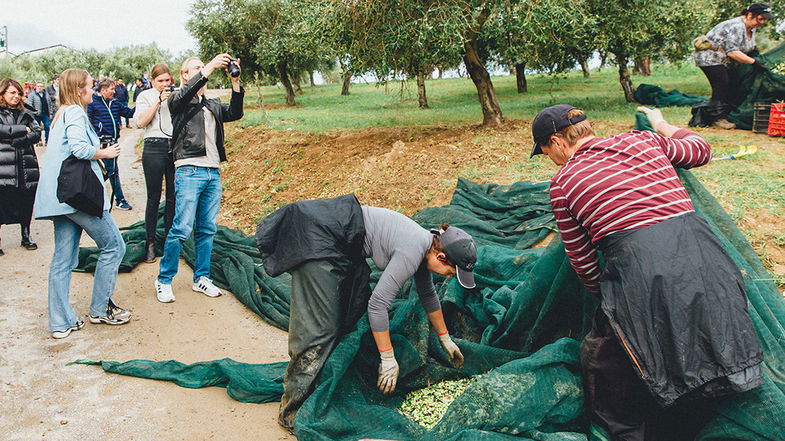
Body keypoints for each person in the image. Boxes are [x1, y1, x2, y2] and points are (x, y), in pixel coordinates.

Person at [529, 104, 764, 441]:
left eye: (547, 150)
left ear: (558, 141)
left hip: (641, 267)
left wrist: (611, 300)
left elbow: (582, 261)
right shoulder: (644, 141)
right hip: (706, 256)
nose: (551, 158)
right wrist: (661, 124)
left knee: (604, 355)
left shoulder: (563, 184)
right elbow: (701, 149)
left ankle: (625, 431)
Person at [256, 196, 473, 430]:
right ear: (441, 256)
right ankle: (292, 409)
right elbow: (378, 305)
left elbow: (429, 295)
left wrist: (445, 338)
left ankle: (323, 384)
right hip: (319, 236)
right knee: (320, 329)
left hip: (344, 244)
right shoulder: (413, 250)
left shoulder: (426, 245)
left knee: (351, 312)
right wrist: (388, 358)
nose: (449, 276)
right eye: (451, 272)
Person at [33, 68, 131, 339]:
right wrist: (105, 152)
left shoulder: (60, 114)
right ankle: (101, 309)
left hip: (60, 199)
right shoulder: (75, 113)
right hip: (79, 197)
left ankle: (61, 322)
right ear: (79, 89)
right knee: (114, 246)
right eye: (90, 85)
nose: (94, 89)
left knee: (63, 260)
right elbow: (80, 149)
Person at [152, 54, 244, 303]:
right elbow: (186, 93)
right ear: (184, 75)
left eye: (203, 67)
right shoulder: (177, 100)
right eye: (196, 68)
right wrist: (211, 66)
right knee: (181, 228)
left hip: (212, 171)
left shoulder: (212, 104)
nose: (203, 70)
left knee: (207, 229)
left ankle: (201, 278)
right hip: (189, 169)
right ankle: (164, 280)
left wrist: (235, 81)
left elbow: (236, 112)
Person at [693, 3, 773, 129]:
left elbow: (748, 48)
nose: (762, 22)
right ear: (750, 15)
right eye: (760, 18)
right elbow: (732, 52)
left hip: (725, 61)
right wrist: (753, 62)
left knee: (733, 84)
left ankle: (721, 113)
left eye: (765, 19)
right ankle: (718, 118)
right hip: (710, 58)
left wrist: (756, 56)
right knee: (721, 84)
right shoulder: (736, 26)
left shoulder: (752, 28)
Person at [134, 63, 176, 263]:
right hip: (154, 146)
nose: (165, 84)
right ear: (152, 81)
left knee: (173, 196)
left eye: (168, 80)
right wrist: (158, 101)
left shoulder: (176, 94)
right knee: (153, 197)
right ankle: (150, 241)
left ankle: (169, 240)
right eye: (160, 81)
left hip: (175, 147)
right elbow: (141, 122)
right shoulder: (145, 96)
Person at [0, 78, 41, 254]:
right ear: (2, 94)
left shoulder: (26, 111)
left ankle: (26, 234)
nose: (16, 96)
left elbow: (37, 133)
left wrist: (18, 139)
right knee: (2, 202)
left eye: (18, 93)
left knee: (26, 200)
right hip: (4, 165)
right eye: (12, 93)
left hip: (26, 163)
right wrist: (22, 130)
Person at [86, 78, 135, 210]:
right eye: (112, 89)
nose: (114, 91)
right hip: (101, 143)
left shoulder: (115, 103)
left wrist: (143, 105)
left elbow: (129, 113)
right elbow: (88, 122)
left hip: (113, 143)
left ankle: (98, 196)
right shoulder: (92, 103)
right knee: (108, 171)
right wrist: (96, 138)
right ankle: (117, 199)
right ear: (103, 90)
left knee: (111, 171)